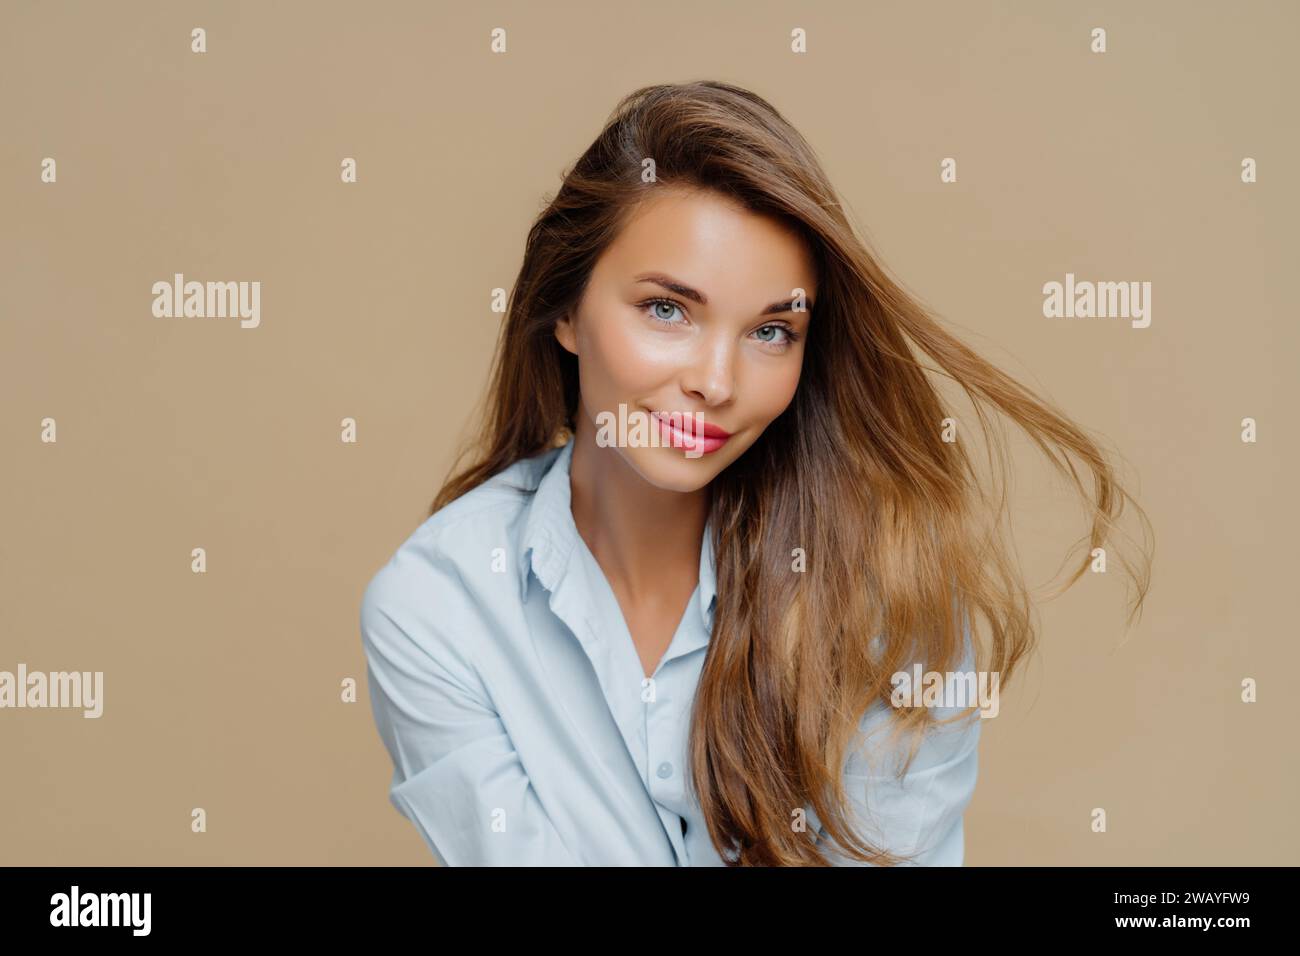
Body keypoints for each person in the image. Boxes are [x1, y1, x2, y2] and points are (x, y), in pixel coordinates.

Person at [359, 80, 1153, 866]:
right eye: (667, 309)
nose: (717, 381)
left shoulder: (892, 589)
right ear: (565, 311)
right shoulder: (440, 605)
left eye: (772, 331)